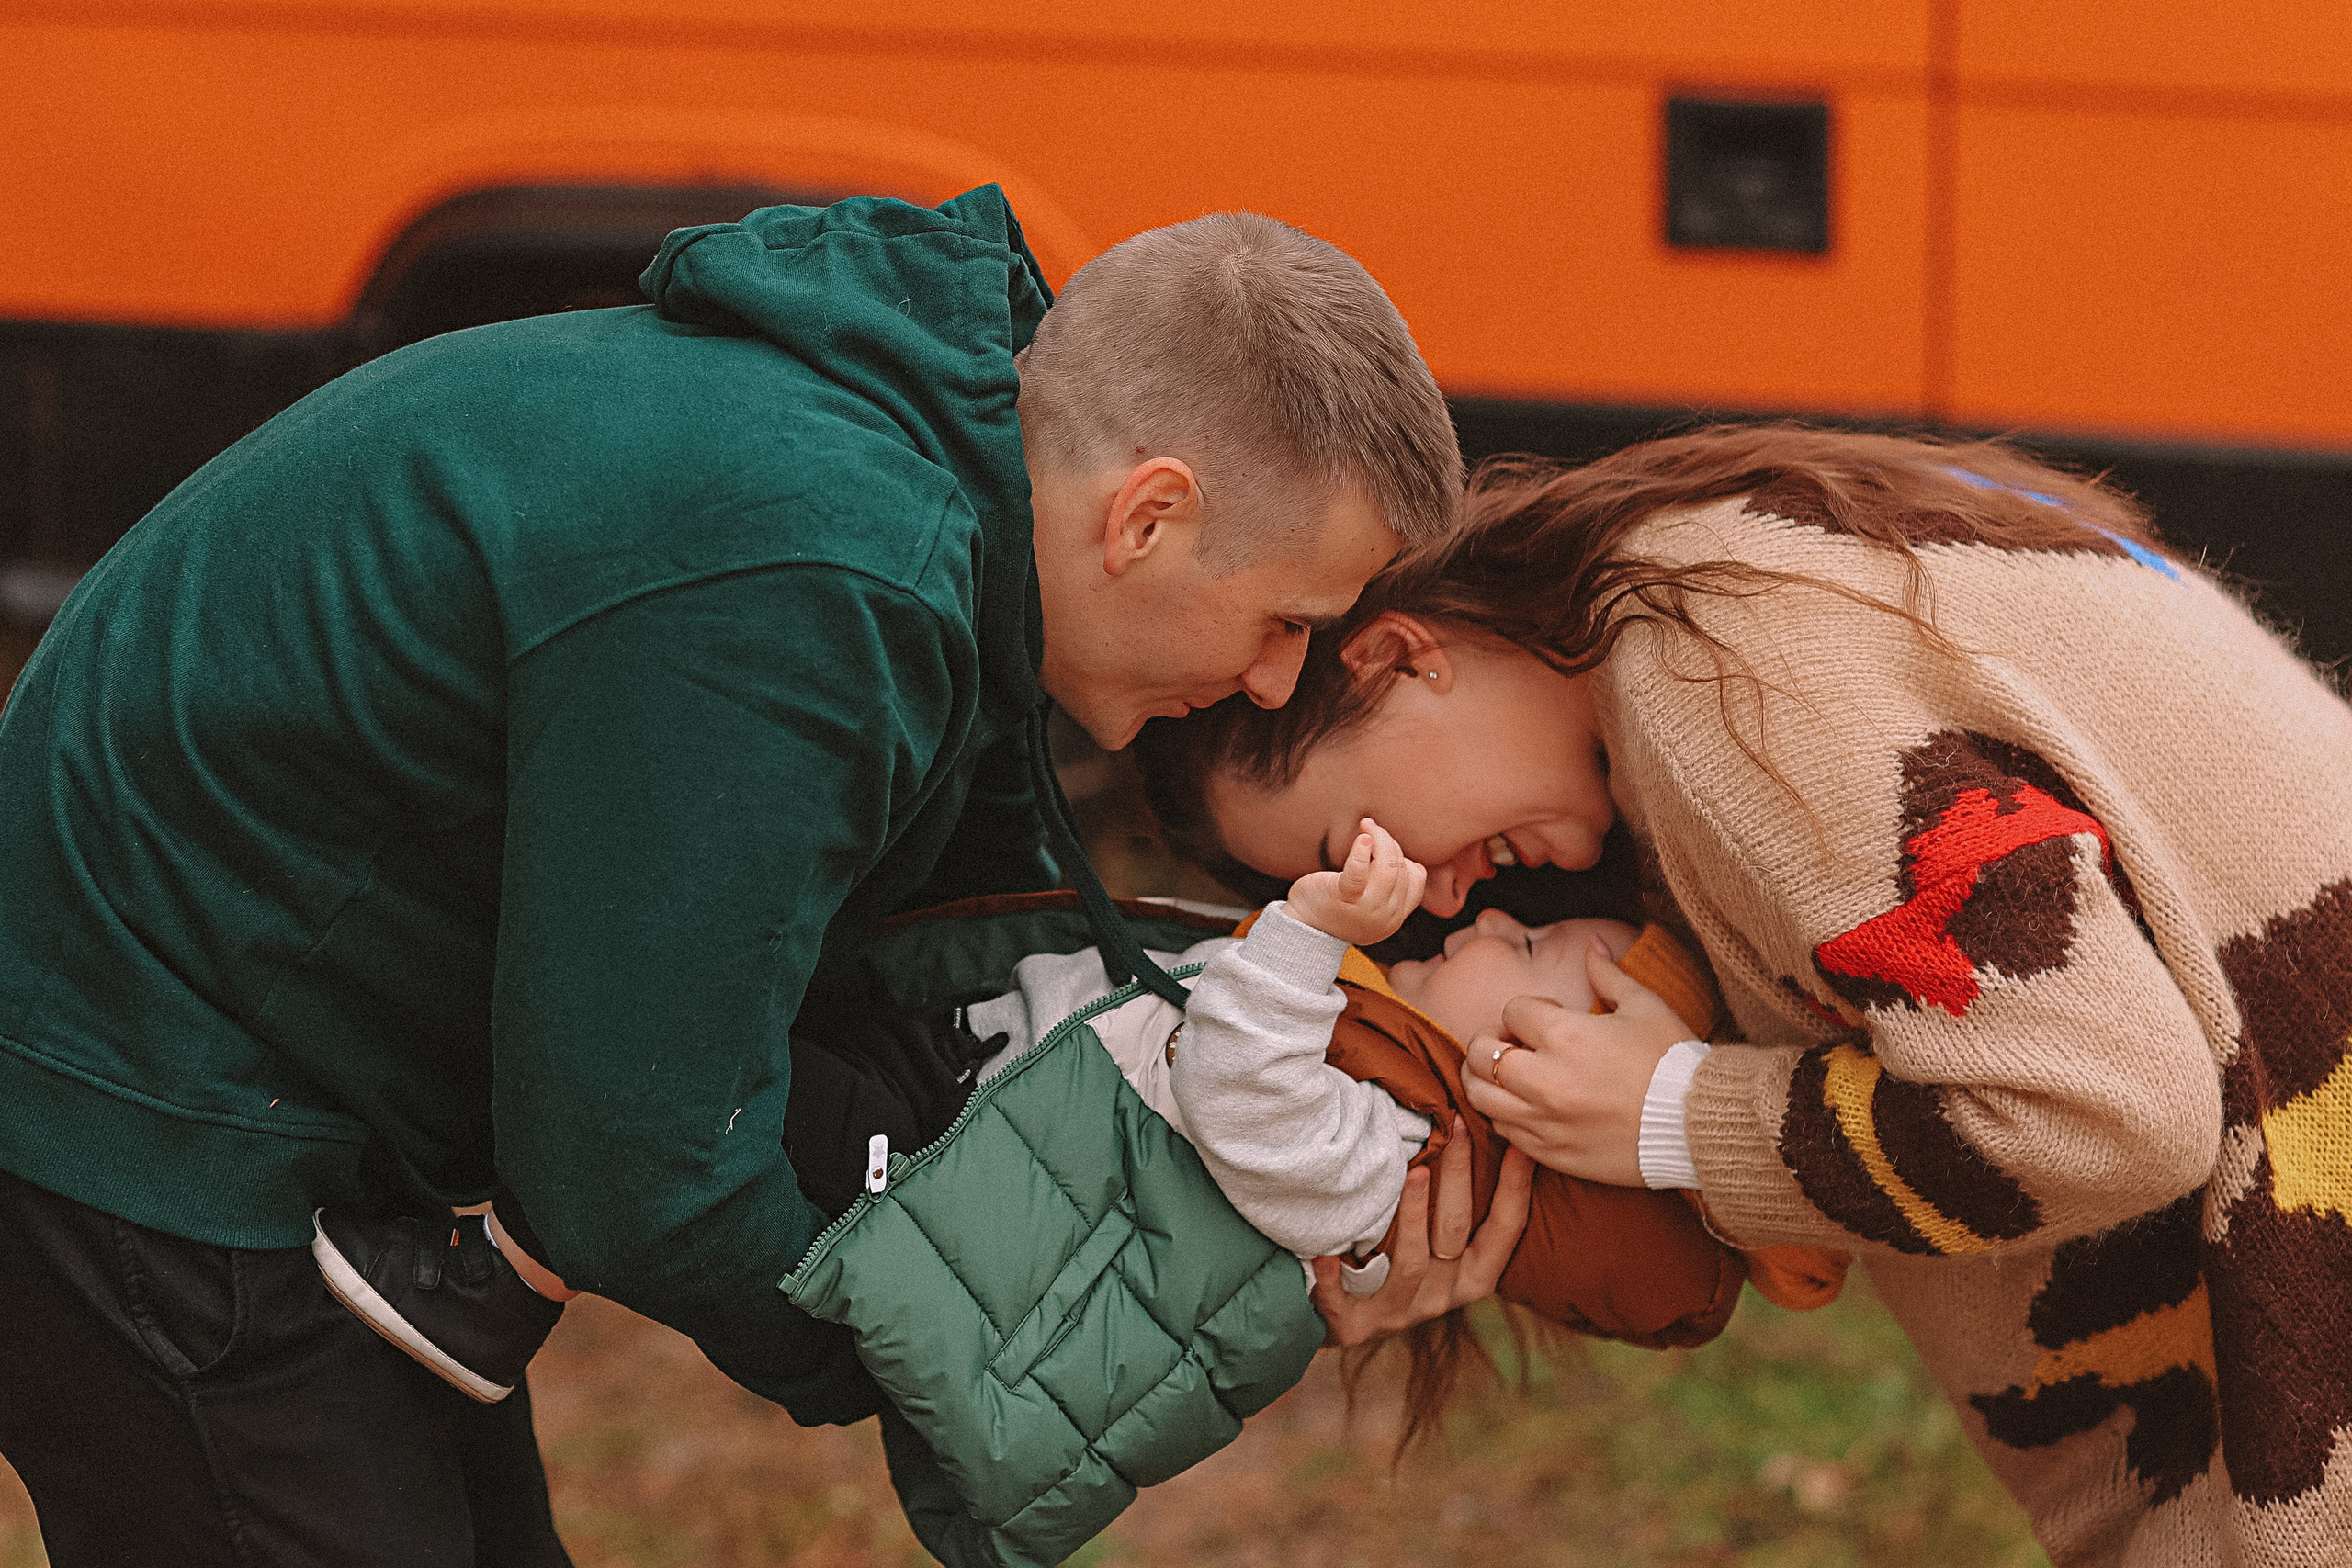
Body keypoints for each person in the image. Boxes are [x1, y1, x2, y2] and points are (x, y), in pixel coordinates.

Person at [0, 187, 1479, 1565]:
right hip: (144, 1114)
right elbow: (632, 1165)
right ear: (1145, 517)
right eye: (1286, 620)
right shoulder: (819, 575)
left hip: (278, 1094)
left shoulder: (934, 493)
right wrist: (963, 1354)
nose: (1278, 684)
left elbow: (918, 969)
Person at [1144, 423, 2352, 1566]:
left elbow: (2110, 1114)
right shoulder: (1696, 584)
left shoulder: (1713, 684)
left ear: (1401, 657)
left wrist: (1679, 1114)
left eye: (1361, 842)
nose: (1435, 896)